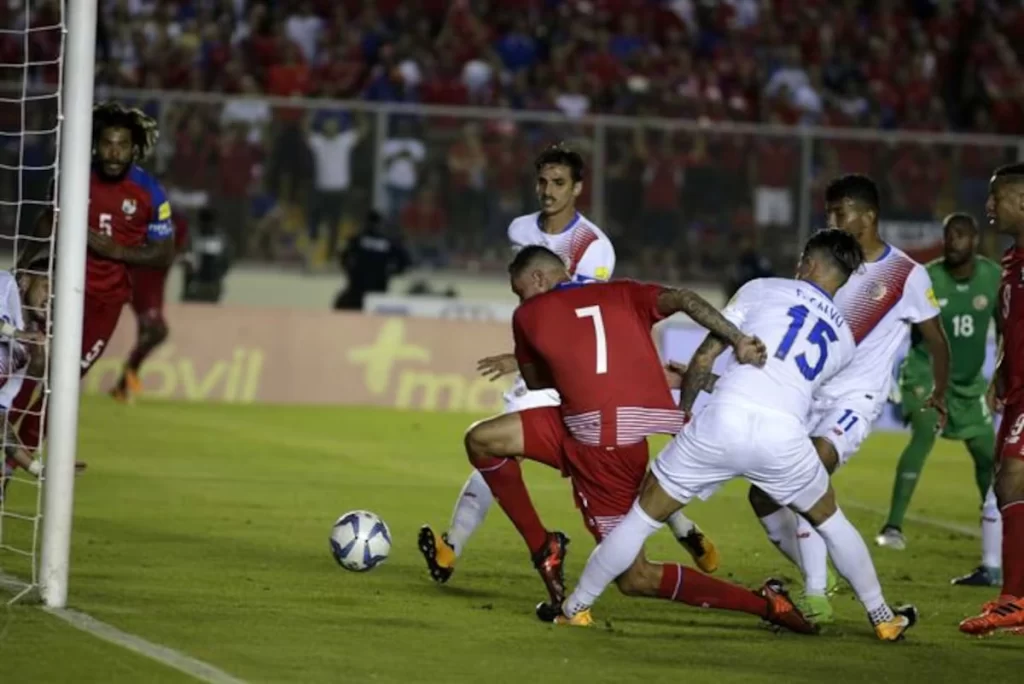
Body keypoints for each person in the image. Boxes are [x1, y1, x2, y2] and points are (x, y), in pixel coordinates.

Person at [556, 230, 919, 641]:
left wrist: (687, 410)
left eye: (802, 260)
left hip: (724, 421)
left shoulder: (762, 288)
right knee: (832, 523)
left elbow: (706, 356)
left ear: (811, 264)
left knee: (641, 518)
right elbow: (785, 383)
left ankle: (576, 607)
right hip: (783, 434)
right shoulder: (845, 341)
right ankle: (883, 617)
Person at [453, 245, 811, 631]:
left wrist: (560, 359)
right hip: (583, 425)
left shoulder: (528, 313)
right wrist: (738, 339)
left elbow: (539, 381)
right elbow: (685, 298)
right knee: (482, 440)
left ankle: (765, 603)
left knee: (634, 577)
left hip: (601, 450)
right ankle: (545, 548)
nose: (519, 298)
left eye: (519, 289)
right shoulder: (621, 291)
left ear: (538, 278)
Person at [419, 144, 716, 590]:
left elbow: (578, 317)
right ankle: (451, 547)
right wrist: (521, 356)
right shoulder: (520, 228)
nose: (548, 191)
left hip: (578, 370)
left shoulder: (594, 247)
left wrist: (523, 359)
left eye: (559, 183)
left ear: (577, 188)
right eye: (542, 181)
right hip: (541, 362)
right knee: (496, 446)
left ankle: (680, 527)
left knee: (510, 447)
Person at [748, 174, 949, 625]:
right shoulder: (830, 266)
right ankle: (816, 573)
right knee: (762, 497)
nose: (831, 220)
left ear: (869, 216)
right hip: (805, 395)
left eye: (840, 212)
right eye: (829, 212)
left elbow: (936, 338)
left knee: (808, 476)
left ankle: (815, 597)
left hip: (853, 403)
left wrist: (940, 389)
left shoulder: (906, 274)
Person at [11, 101, 176, 454]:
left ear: (134, 149)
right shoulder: (73, 178)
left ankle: (13, 466)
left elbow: (164, 251)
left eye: (121, 145)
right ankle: (4, 436)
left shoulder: (150, 192)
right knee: (33, 366)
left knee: (64, 385)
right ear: (95, 145)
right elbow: (46, 219)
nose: (113, 153)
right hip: (61, 291)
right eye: (106, 144)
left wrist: (119, 251)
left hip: (107, 301)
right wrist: (26, 264)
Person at [877, 213, 1003, 588]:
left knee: (987, 453)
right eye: (949, 236)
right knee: (924, 434)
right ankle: (893, 526)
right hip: (924, 375)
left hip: (968, 385)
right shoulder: (926, 276)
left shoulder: (992, 277)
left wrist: (999, 376)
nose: (953, 242)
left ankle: (998, 534)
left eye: (961, 235)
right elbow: (894, 321)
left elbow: (1008, 327)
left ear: (975, 240)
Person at [960, 163, 1024, 635]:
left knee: (1012, 478)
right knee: (1008, 484)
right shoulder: (1010, 261)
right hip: (1017, 390)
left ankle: (1014, 600)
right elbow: (1010, 323)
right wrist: (1001, 370)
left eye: (996, 196)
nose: (988, 206)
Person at [0, 257, 85, 501]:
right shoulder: (5, 284)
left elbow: (0, 425)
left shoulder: (22, 355)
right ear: (25, 281)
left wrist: (40, 470)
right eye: (48, 286)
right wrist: (17, 333)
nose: (52, 297)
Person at [111, 212, 190, 402]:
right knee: (157, 331)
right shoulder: (146, 244)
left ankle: (123, 385)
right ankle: (127, 378)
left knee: (149, 332)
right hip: (140, 291)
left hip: (147, 291)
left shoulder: (165, 250)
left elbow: (180, 232)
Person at [333, 210, 409, 311]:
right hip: (379, 289)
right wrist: (390, 273)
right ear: (380, 223)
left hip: (357, 288)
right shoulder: (388, 242)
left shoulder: (357, 239)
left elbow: (343, 257)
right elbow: (405, 261)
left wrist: (350, 271)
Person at [181, 208, 230, 304]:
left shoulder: (221, 239)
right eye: (204, 222)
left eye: (209, 222)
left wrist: (218, 277)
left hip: (213, 285)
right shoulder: (192, 237)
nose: (207, 225)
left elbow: (227, 262)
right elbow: (185, 260)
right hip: (195, 284)